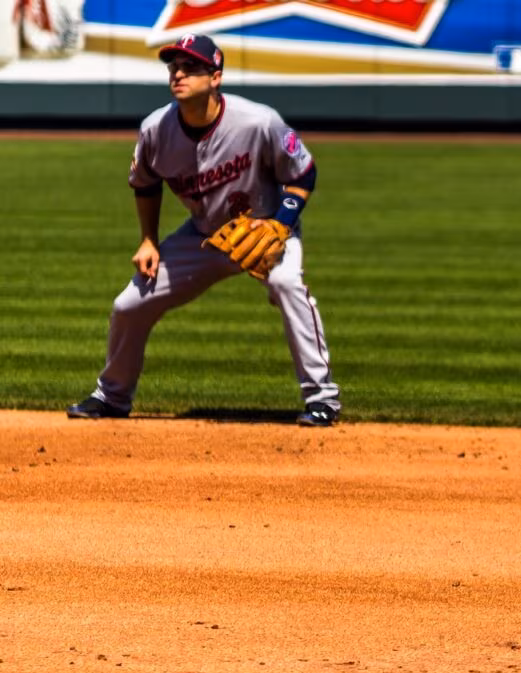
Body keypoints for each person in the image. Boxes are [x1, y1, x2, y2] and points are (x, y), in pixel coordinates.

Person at [67, 34, 341, 427]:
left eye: (190, 67)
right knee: (129, 304)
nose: (178, 73)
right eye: (173, 67)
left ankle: (322, 400)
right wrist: (148, 239)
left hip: (266, 230)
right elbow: (145, 183)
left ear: (216, 77)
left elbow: (303, 173)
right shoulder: (155, 129)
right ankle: (111, 396)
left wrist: (282, 223)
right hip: (202, 236)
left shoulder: (259, 121)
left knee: (286, 286)